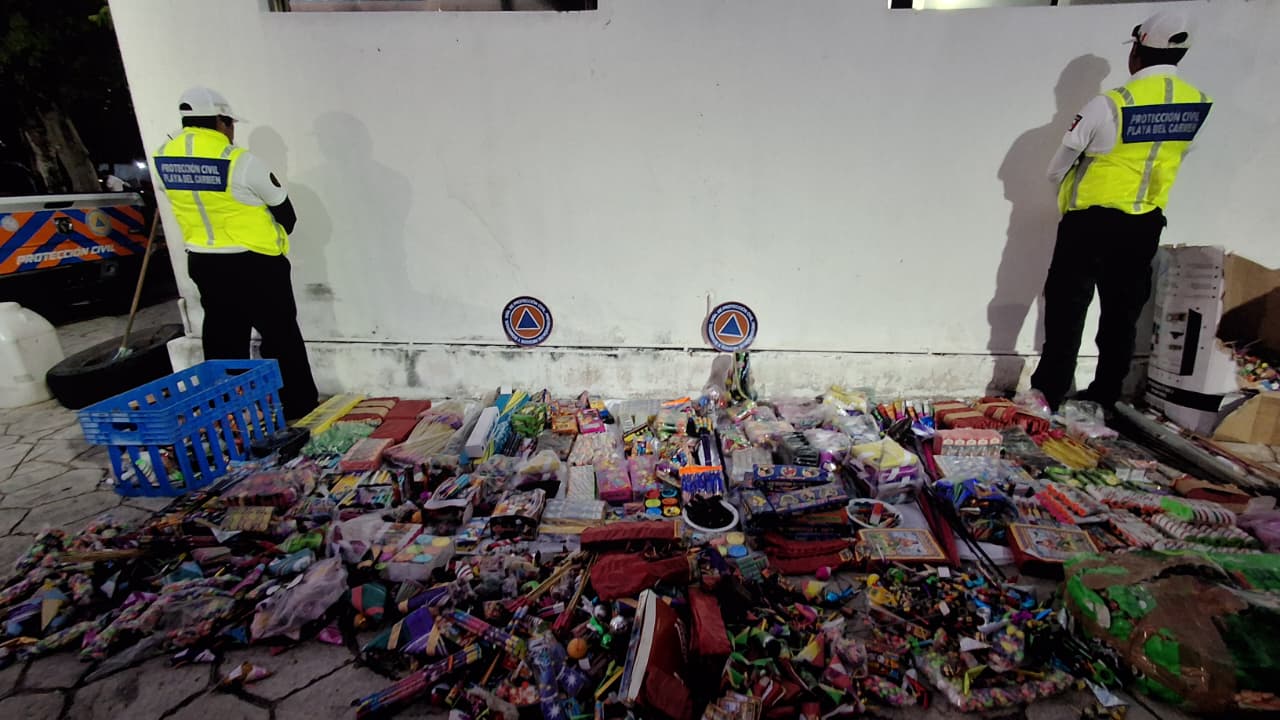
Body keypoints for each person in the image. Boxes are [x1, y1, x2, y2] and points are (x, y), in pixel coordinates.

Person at [1030, 11, 1211, 411]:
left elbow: (1057, 167)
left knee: (1067, 309)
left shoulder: (1111, 103)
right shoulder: (1196, 104)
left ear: (1137, 52)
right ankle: (1105, 397)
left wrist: (1067, 187)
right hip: (1144, 223)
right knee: (1121, 314)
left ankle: (1050, 393)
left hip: (1089, 222)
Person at [153, 87, 319, 419]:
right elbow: (286, 214)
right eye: (231, 123)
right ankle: (297, 405)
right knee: (280, 335)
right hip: (254, 262)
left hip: (203, 260)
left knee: (223, 336)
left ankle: (228, 409)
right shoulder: (239, 161)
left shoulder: (162, 159)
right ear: (222, 120)